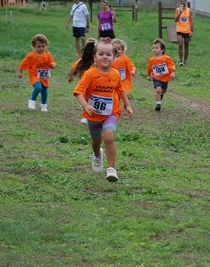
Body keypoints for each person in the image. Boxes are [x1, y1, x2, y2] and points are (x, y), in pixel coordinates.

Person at [73, 39, 133, 182]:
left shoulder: (115, 75)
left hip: (112, 112)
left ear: (113, 57)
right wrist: (86, 106)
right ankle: (97, 155)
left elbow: (121, 90)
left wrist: (128, 106)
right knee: (96, 142)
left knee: (109, 136)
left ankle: (111, 169)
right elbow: (78, 92)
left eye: (108, 54)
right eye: (101, 54)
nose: (105, 57)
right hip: (93, 114)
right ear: (95, 57)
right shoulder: (90, 74)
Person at [18, 34, 56, 112]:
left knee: (45, 91)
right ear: (34, 46)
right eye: (39, 47)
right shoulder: (31, 56)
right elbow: (23, 64)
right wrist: (20, 72)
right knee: (38, 87)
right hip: (34, 75)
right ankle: (32, 101)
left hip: (44, 76)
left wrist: (52, 65)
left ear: (46, 45)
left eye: (43, 46)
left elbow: (52, 63)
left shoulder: (47, 54)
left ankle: (43, 105)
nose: (41, 48)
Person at [68, 38, 97, 123]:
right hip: (86, 85)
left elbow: (72, 69)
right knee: (86, 99)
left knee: (91, 99)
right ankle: (86, 115)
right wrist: (71, 77)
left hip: (93, 85)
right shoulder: (82, 62)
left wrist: (71, 77)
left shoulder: (97, 62)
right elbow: (73, 68)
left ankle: (92, 114)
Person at [146, 38, 175, 112]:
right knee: (158, 90)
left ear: (162, 50)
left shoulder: (167, 58)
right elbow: (149, 68)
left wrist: (172, 72)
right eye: (153, 48)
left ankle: (160, 95)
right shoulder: (152, 60)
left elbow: (171, 65)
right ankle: (158, 104)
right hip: (156, 78)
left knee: (163, 91)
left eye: (156, 48)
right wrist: (148, 75)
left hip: (165, 78)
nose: (154, 49)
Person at [174, 0, 193, 66]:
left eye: (183, 1)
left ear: (186, 2)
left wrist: (191, 30)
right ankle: (181, 60)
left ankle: (185, 60)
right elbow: (175, 20)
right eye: (181, 1)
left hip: (187, 30)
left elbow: (191, 21)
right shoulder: (177, 10)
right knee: (180, 44)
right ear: (180, 2)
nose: (182, 2)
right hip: (179, 29)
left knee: (186, 45)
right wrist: (180, 13)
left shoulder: (189, 10)